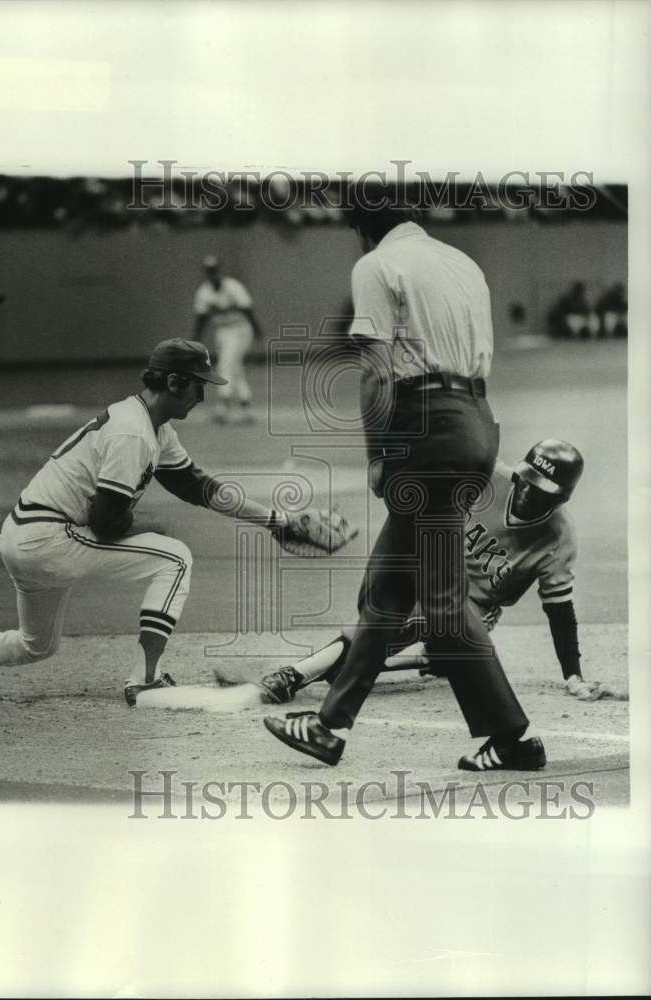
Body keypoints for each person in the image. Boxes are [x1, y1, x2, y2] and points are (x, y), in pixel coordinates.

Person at [263, 194, 545, 772]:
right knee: (388, 590)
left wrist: (380, 453)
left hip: (426, 427)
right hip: (475, 423)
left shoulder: (376, 266)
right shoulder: (461, 261)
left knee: (442, 602)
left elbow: (376, 369)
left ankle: (514, 737)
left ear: (365, 224)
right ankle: (328, 726)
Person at [0, 339, 286, 708]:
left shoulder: (152, 426)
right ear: (174, 381)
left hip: (22, 535)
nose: (202, 395)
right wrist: (154, 527)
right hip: (49, 537)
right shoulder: (133, 434)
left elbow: (199, 488)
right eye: (198, 385)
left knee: (36, 646)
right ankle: (144, 678)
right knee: (175, 558)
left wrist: (275, 520)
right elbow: (107, 522)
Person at [257, 439, 614, 704]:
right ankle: (439, 656)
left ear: (560, 498)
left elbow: (559, 610)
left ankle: (293, 675)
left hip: (470, 611)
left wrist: (573, 674)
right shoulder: (488, 477)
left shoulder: (560, 538)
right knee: (383, 623)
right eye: (525, 481)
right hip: (427, 569)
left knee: (392, 625)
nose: (526, 492)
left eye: (540, 490)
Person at [192, 255, 262, 424]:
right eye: (209, 271)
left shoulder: (233, 286)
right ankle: (245, 406)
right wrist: (195, 339)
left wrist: (257, 328)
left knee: (226, 363)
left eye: (214, 270)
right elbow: (201, 319)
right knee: (234, 366)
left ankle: (223, 405)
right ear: (206, 273)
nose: (212, 273)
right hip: (222, 331)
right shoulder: (204, 292)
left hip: (240, 329)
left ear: (219, 270)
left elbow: (247, 309)